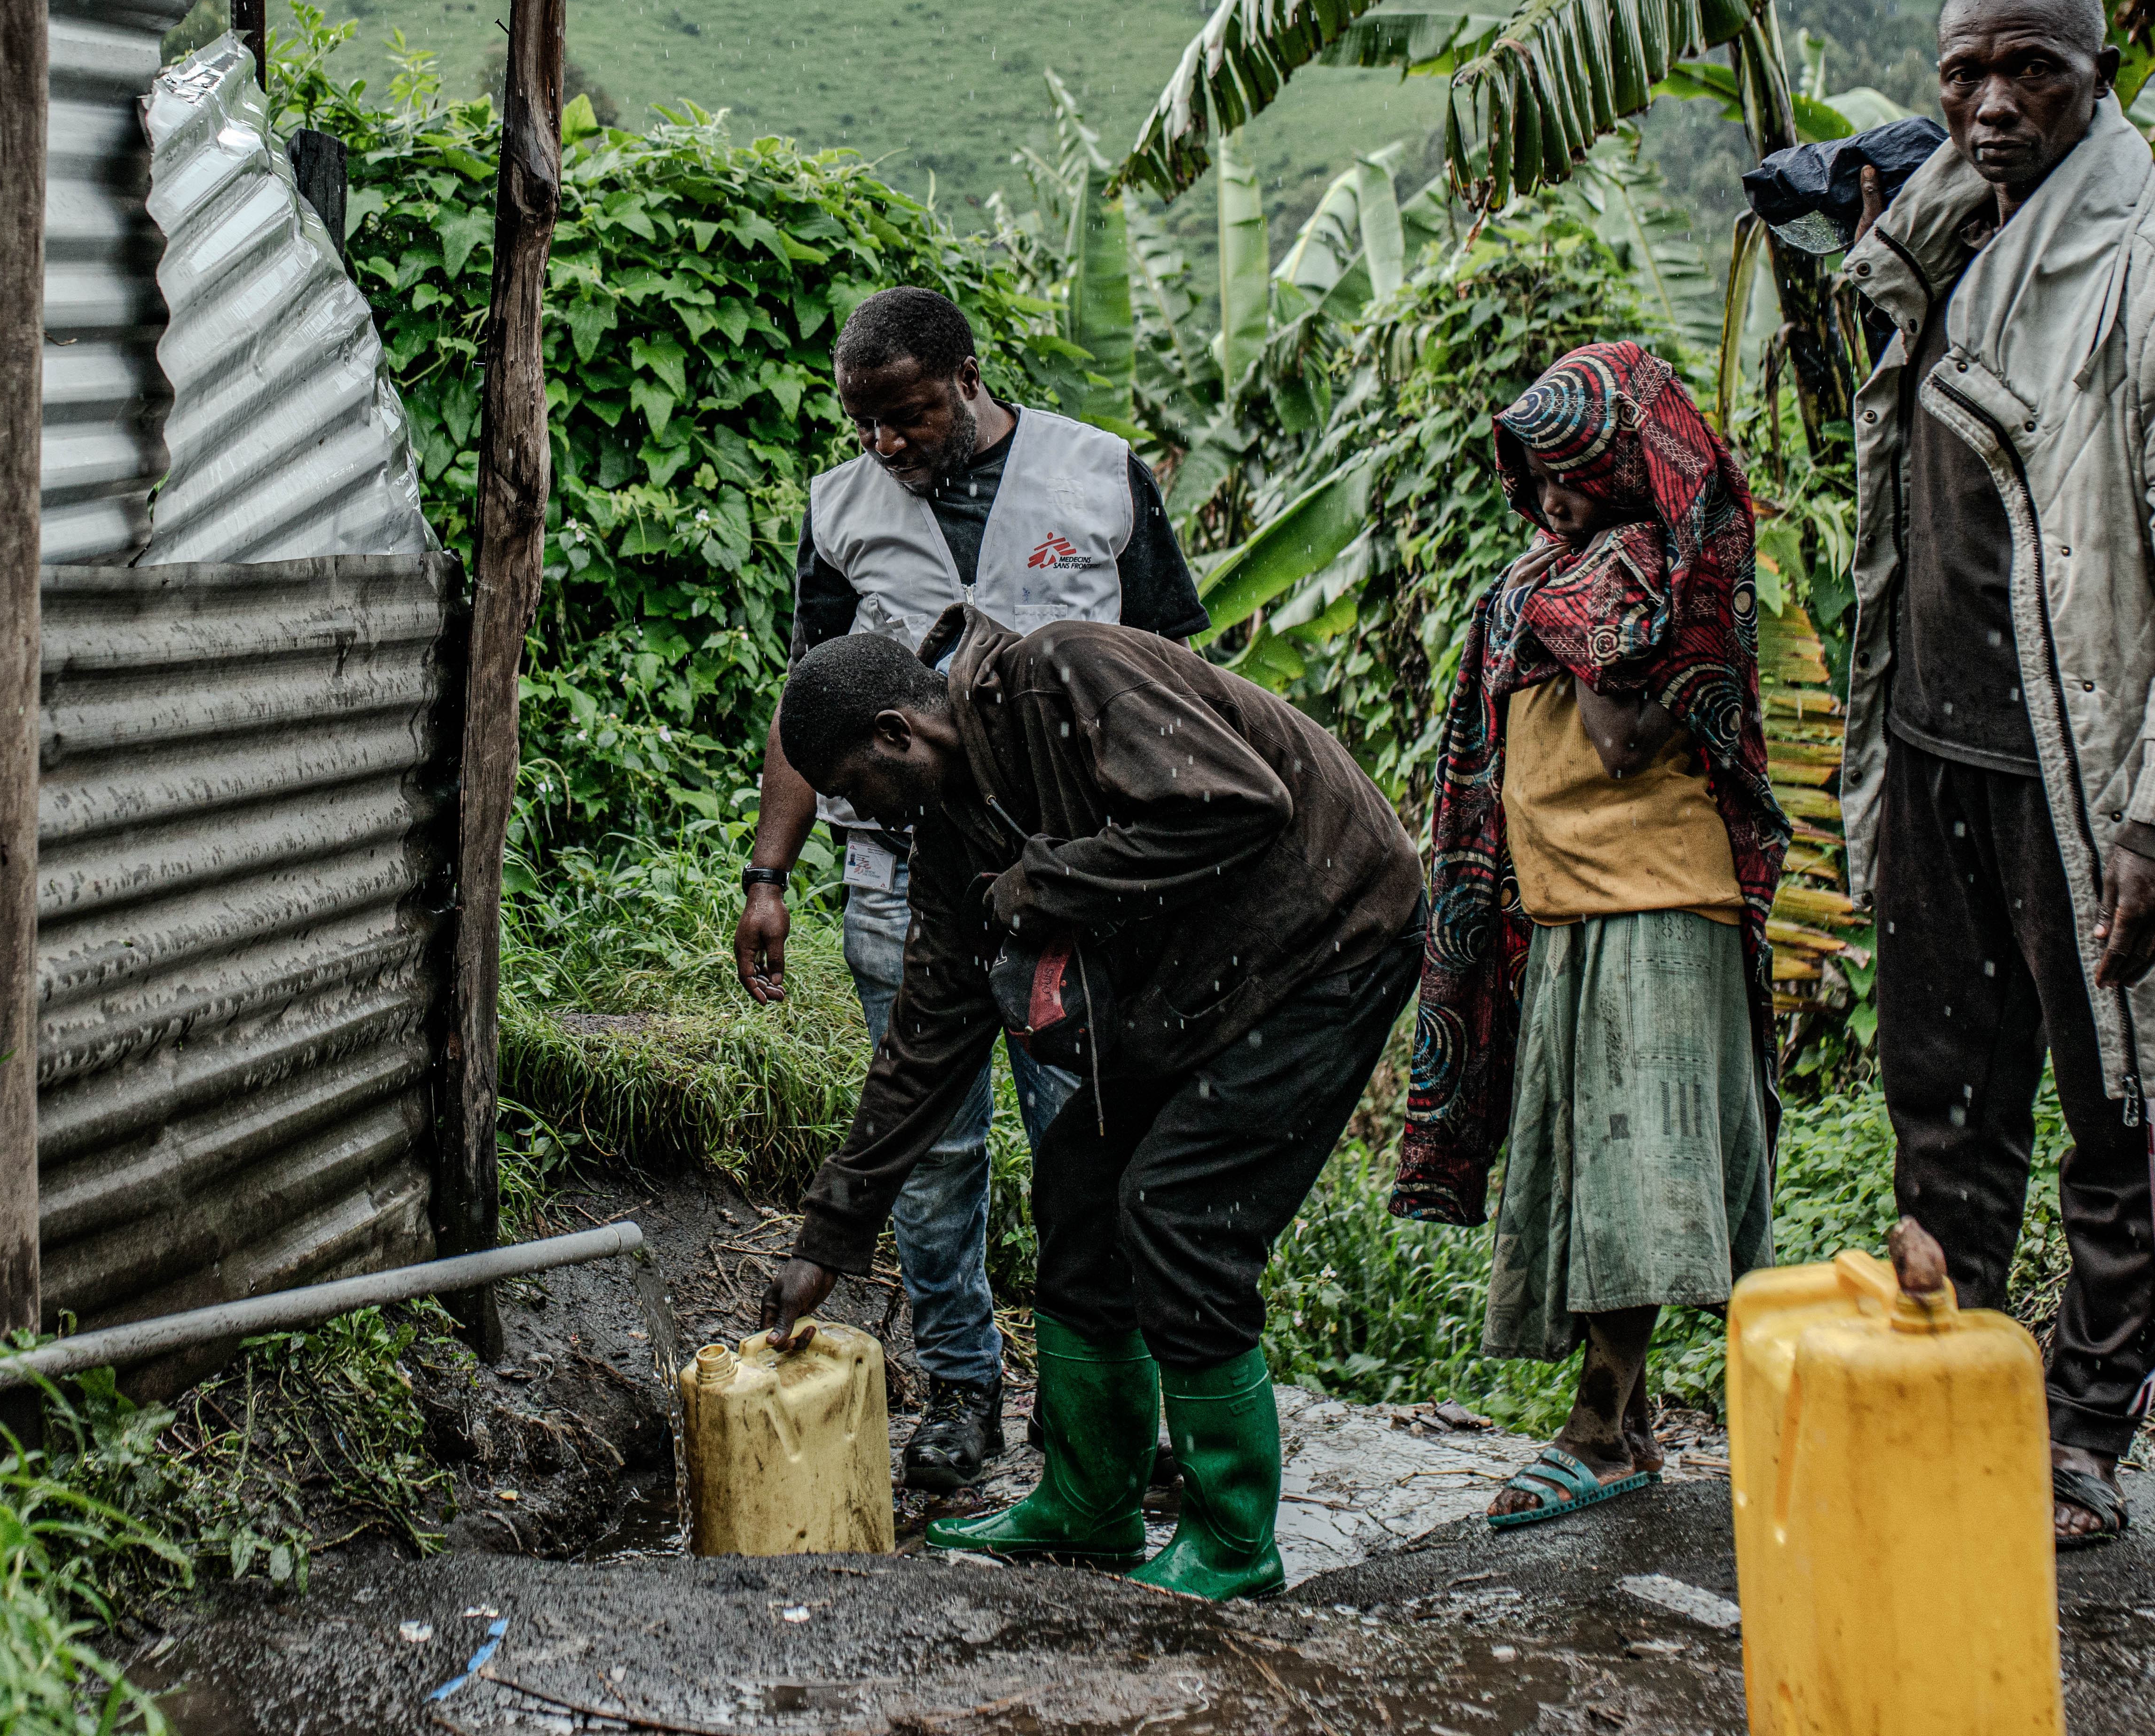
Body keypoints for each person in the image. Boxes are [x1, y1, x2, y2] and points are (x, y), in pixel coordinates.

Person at [1839, 0, 2155, 1547]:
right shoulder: (1941, 243)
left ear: (2097, 77)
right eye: (1963, 69)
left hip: (2089, 771)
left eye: (2026, 69)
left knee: (2126, 1100)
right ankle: (1955, 1385)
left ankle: (2092, 1429)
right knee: (1943, 1103)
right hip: (1936, 756)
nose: (1986, 103)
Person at [756, 613, 1425, 1601]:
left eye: (857, 786)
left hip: (1331, 934)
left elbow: (1239, 802)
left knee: (1179, 1210)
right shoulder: (953, 831)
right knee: (1076, 1182)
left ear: (896, 732)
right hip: (1198, 981)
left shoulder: (1065, 673)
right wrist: (828, 1234)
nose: (868, 812)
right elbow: (927, 1037)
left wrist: (1046, 883)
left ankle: (1233, 1543)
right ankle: (1090, 1499)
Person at [731, 286, 1208, 1490]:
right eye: (863, 424)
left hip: (1077, 885)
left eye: (904, 415)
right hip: (897, 872)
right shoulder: (838, 507)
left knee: (1083, 1134)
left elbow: (1180, 672)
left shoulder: (1096, 476)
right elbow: (810, 702)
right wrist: (768, 873)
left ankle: (1091, 1396)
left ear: (966, 376)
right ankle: (956, 1391)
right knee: (931, 1143)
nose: (884, 445)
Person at [1391, 342, 1788, 1526]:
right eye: (1533, 471)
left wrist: (1593, 613)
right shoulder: (1591, 565)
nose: (1549, 495)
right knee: (1598, 1169)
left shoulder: (1642, 568)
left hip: (1651, 899)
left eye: (1572, 470)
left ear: (1625, 461)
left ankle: (1600, 1429)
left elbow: (1618, 736)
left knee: (1633, 1173)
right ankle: (1630, 1419)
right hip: (1578, 897)